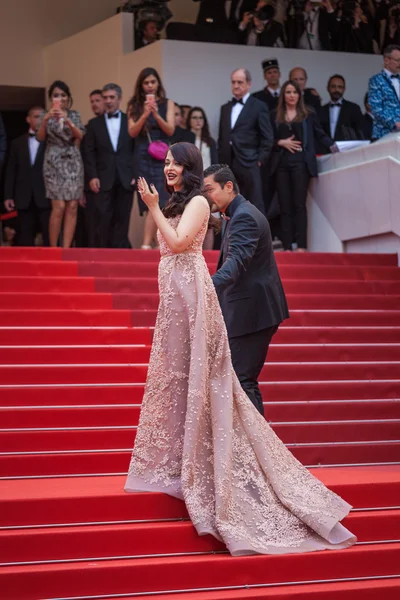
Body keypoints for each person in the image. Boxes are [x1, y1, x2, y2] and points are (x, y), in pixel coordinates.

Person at [124, 141, 356, 557]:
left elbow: (182, 247)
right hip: (183, 305)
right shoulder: (198, 206)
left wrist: (154, 208)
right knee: (190, 384)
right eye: (167, 162)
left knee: (231, 383)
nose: (170, 167)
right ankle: (199, 461)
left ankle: (240, 465)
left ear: (196, 172)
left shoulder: (201, 205)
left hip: (231, 307)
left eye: (177, 162)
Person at [204, 163, 288, 415]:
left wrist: (204, 287)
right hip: (247, 311)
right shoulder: (237, 213)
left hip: (253, 312)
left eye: (209, 190)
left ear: (229, 187)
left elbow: (236, 264)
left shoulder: (245, 217)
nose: (206, 197)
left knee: (242, 381)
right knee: (241, 381)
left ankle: (260, 451)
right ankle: (256, 449)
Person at [269, 80, 335, 252]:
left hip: (301, 164)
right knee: (284, 206)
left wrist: (334, 146)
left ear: (300, 95)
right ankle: (287, 245)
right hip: (281, 165)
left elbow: (320, 134)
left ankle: (302, 246)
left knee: (299, 204)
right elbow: (267, 140)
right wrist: (280, 142)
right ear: (283, 95)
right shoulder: (275, 115)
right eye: (288, 92)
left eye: (295, 92)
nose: (292, 96)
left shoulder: (308, 114)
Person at [128, 67, 175, 249]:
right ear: (141, 85)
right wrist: (146, 113)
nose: (149, 86)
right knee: (149, 200)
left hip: (163, 155)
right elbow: (132, 132)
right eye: (146, 83)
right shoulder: (134, 104)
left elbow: (170, 130)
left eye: (152, 82)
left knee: (163, 198)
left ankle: (152, 244)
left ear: (158, 84)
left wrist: (156, 113)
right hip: (143, 155)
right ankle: (150, 244)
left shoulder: (167, 103)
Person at [84, 83, 135, 248]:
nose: (108, 101)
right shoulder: (93, 124)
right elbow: (89, 153)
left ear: (119, 99)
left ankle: (120, 255)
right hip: (102, 177)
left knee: (123, 216)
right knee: (103, 217)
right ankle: (103, 253)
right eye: (105, 97)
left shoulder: (131, 121)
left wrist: (135, 174)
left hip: (126, 177)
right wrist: (92, 176)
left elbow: (136, 150)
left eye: (112, 97)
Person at [36, 80, 85, 248]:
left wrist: (68, 121)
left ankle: (66, 248)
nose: (60, 98)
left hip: (73, 161)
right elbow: (40, 138)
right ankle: (53, 248)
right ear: (51, 98)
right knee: (58, 206)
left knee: (72, 206)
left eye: (63, 95)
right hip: (53, 162)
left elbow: (80, 136)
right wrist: (46, 120)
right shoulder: (45, 115)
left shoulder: (74, 115)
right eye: (56, 95)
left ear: (68, 97)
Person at [218, 68, 273, 215]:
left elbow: (267, 137)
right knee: (230, 204)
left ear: (248, 84)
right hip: (228, 164)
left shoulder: (258, 106)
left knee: (254, 203)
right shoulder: (225, 108)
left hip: (250, 162)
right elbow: (222, 137)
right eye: (233, 82)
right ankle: (233, 237)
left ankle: (259, 237)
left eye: (240, 82)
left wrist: (259, 160)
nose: (236, 85)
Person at [4, 106, 50, 246]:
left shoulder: (52, 141)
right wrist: (8, 196)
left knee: (49, 237)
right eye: (36, 116)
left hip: (46, 195)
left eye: (42, 116)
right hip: (23, 196)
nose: (39, 119)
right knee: (25, 237)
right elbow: (11, 170)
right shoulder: (17, 143)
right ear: (28, 119)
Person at [75, 90, 105, 248]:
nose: (94, 104)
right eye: (92, 101)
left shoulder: (117, 128)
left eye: (97, 100)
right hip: (91, 185)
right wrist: (81, 189)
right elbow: (83, 159)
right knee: (91, 225)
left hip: (111, 183)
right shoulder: (87, 128)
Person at [188, 106, 218, 249]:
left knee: (208, 221)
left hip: (206, 184)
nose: (198, 120)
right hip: (188, 184)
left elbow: (216, 165)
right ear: (189, 120)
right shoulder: (185, 139)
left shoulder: (210, 141)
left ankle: (209, 256)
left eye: (200, 118)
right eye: (194, 117)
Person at [319, 74, 365, 142]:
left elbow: (360, 132)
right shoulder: (321, 110)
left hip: (348, 150)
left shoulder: (354, 108)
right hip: (326, 150)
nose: (336, 89)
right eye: (333, 86)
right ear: (328, 88)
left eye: (340, 87)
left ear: (344, 89)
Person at [368, 44, 400, 140]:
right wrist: (394, 123)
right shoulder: (376, 80)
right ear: (386, 60)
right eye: (398, 60)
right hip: (383, 134)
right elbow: (375, 108)